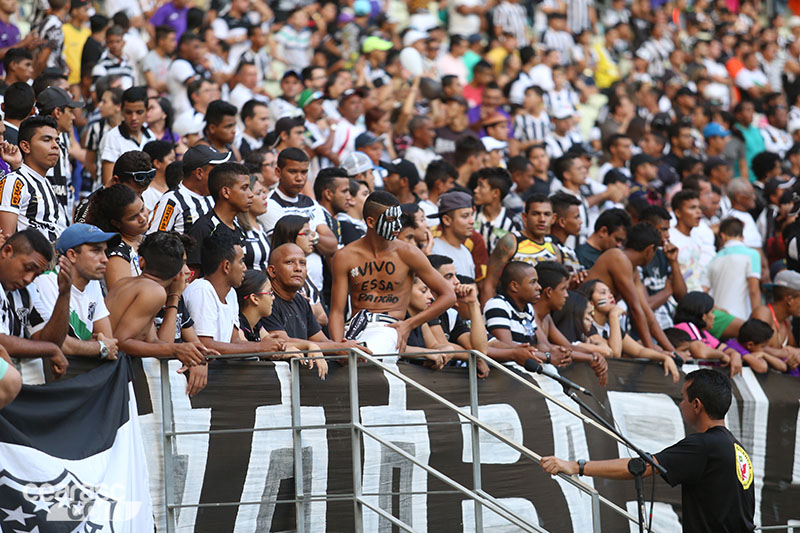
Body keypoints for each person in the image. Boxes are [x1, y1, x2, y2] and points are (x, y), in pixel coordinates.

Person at [541, 369, 755, 533]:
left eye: (682, 398)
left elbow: (639, 467)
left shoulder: (703, 446)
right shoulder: (736, 447)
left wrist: (575, 466)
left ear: (696, 405)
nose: (680, 405)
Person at [329, 191, 456, 353]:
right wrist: (338, 346)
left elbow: (449, 296)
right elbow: (337, 312)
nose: (397, 226)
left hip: (390, 327)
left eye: (398, 219)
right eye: (390, 220)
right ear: (370, 222)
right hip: (355, 328)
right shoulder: (345, 256)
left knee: (367, 352)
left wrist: (410, 324)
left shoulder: (408, 253)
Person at [105, 231, 211, 393]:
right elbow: (121, 341)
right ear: (177, 274)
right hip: (112, 375)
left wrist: (189, 350)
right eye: (183, 263)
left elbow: (152, 341)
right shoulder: (154, 291)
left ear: (142, 262)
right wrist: (175, 349)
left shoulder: (126, 283)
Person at [33, 223, 120, 377]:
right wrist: (98, 347)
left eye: (105, 252)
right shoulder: (47, 282)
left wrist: (97, 345)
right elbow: (56, 343)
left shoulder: (93, 283)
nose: (105, 259)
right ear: (72, 255)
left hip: (79, 374)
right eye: (96, 251)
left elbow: (109, 340)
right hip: (53, 377)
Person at [183, 229, 285, 356]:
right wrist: (260, 347)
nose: (245, 268)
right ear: (226, 266)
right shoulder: (202, 290)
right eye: (241, 261)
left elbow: (235, 341)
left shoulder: (230, 293)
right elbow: (205, 345)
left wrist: (269, 345)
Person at [261, 243, 365, 356]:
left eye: (302, 263)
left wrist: (343, 351)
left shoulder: (301, 301)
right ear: (272, 271)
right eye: (289, 262)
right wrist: (337, 347)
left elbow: (321, 341)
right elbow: (283, 343)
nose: (298, 268)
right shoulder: (267, 301)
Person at [586, 222, 674, 350]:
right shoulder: (617, 257)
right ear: (649, 250)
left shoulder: (634, 271)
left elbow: (646, 312)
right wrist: (650, 349)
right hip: (585, 324)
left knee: (658, 351)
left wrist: (671, 350)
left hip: (602, 325)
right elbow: (635, 308)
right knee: (649, 351)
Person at [574, 279, 680, 381]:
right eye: (603, 293)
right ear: (591, 302)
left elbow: (639, 351)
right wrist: (614, 316)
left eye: (610, 292)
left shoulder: (611, 327)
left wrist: (664, 357)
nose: (610, 296)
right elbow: (615, 353)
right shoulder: (588, 326)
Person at [0, 229, 70, 380]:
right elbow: (2, 341)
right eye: (28, 268)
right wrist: (50, 349)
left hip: (24, 386)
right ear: (7, 251)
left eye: (36, 275)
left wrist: (64, 295)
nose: (28, 279)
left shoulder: (29, 289)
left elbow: (50, 341)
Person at [235, 268, 328, 379]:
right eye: (270, 293)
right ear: (254, 299)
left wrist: (310, 346)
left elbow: (277, 345)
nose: (273, 298)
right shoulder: (237, 323)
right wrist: (282, 353)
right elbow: (242, 346)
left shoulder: (257, 326)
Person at [0, 115, 68, 242]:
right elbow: (6, 239)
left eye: (57, 141)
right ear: (25, 147)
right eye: (47, 140)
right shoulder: (15, 181)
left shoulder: (45, 182)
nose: (55, 146)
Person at [483, 194, 561, 302]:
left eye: (547, 214)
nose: (542, 219)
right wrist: (489, 315)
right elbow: (489, 284)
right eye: (535, 214)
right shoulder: (510, 242)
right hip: (509, 313)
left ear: (554, 218)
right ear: (525, 217)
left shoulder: (555, 251)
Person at [148, 145, 231, 234]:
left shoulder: (213, 198)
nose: (219, 177)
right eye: (215, 172)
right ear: (199, 173)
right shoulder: (172, 201)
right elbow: (155, 239)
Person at [187, 162, 252, 274]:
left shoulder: (237, 226)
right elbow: (191, 278)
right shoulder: (203, 228)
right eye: (244, 188)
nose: (251, 194)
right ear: (225, 192)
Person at [84, 184, 148, 286]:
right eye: (133, 217)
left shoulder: (147, 239)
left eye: (142, 209)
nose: (142, 218)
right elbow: (121, 298)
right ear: (116, 223)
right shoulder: (116, 253)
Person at [36, 86, 84, 217]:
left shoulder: (63, 138)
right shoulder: (39, 147)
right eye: (70, 111)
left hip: (63, 220)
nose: (73, 117)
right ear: (57, 112)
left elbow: (65, 186)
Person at [673, 291, 743, 376]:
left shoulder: (703, 333)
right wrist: (722, 355)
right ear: (703, 315)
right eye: (712, 312)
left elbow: (725, 348)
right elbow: (701, 352)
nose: (714, 316)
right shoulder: (686, 326)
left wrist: (734, 354)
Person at [705, 218, 762, 321]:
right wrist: (757, 321)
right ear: (742, 237)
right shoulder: (752, 255)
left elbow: (703, 291)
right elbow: (753, 291)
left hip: (717, 319)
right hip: (741, 319)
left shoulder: (713, 259)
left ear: (722, 236)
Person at [99, 86, 155, 186]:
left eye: (139, 112)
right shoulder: (112, 137)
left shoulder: (151, 136)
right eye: (129, 112)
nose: (134, 118)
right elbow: (109, 182)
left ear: (147, 110)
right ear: (121, 110)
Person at [429, 190, 476, 278]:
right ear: (447, 220)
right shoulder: (434, 250)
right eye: (465, 216)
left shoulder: (465, 251)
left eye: (472, 215)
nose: (472, 221)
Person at [472, 167, 519, 254]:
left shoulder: (513, 223)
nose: (475, 190)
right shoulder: (471, 214)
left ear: (496, 193)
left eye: (481, 186)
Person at [236, 173, 271, 272]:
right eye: (259, 193)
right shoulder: (238, 229)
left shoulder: (261, 226)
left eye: (264, 192)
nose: (265, 197)